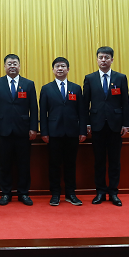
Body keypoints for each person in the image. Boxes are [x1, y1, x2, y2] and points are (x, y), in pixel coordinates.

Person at [83, 46, 129, 206]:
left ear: (112, 60)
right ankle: (100, 192)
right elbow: (85, 104)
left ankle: (113, 192)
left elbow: (125, 103)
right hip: (96, 126)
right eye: (101, 57)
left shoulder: (121, 78)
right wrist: (87, 123)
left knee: (115, 161)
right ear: (97, 60)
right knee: (99, 161)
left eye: (106, 57)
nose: (103, 60)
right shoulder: (90, 78)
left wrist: (126, 123)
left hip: (115, 126)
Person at [0, 54, 38, 206]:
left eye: (15, 63)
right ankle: (6, 193)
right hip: (3, 131)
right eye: (9, 64)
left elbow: (34, 108)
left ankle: (23, 193)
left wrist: (33, 128)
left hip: (23, 131)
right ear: (4, 66)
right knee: (5, 164)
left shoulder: (28, 84)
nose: (12, 66)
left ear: (19, 66)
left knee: (24, 164)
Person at [39, 57, 87, 206]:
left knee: (70, 164)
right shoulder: (46, 89)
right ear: (53, 70)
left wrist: (82, 131)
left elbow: (82, 112)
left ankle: (70, 193)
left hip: (72, 133)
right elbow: (43, 113)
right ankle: (55, 194)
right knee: (54, 164)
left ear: (68, 69)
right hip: (53, 133)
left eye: (63, 66)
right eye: (57, 66)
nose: (60, 69)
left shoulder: (76, 88)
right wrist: (44, 132)